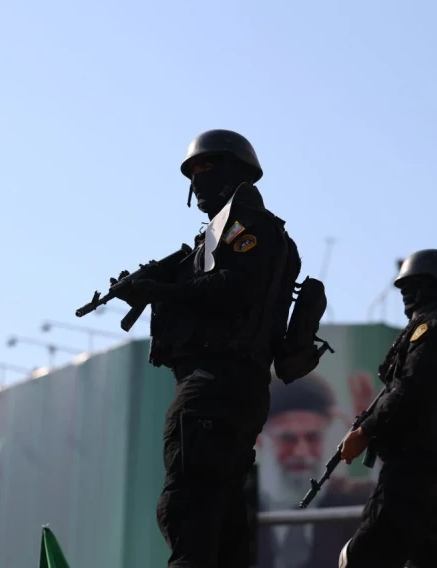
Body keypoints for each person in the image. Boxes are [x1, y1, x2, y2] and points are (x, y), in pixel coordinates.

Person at [115, 129, 303, 568]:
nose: (197, 178)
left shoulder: (247, 226)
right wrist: (157, 283)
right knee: (223, 524)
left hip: (215, 387)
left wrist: (162, 291)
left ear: (235, 171)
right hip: (233, 390)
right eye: (192, 171)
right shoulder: (221, 237)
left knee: (188, 509)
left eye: (206, 166)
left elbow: (234, 288)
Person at [337, 249, 437, 568]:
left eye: (413, 285)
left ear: (434, 285)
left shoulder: (433, 329)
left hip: (412, 469)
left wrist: (364, 432)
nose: (406, 294)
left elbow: (408, 390)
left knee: (363, 558)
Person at [256, 372, 376, 568]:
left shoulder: (357, 500)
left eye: (313, 438)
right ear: (260, 440)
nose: (302, 452)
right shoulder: (235, 504)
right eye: (287, 439)